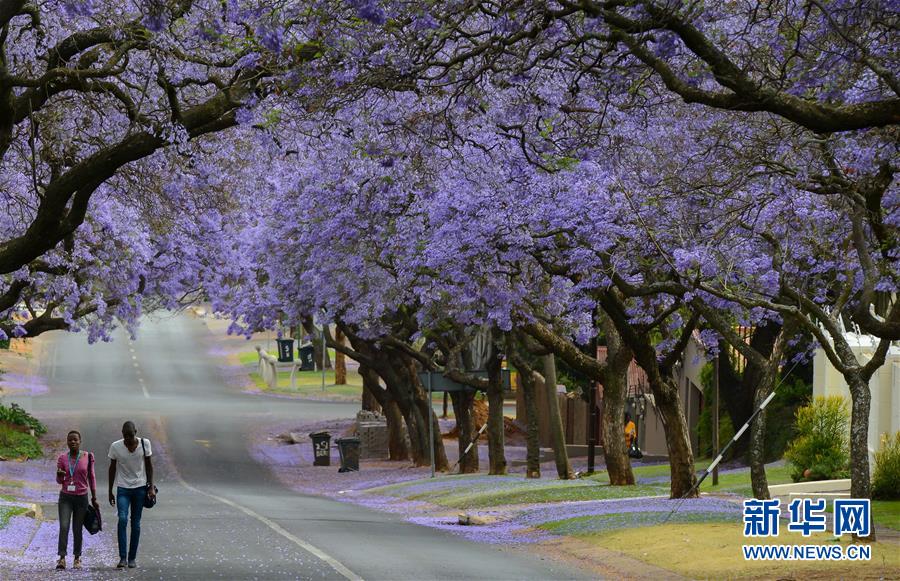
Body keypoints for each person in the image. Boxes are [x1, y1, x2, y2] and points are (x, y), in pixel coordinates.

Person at [108, 421, 155, 569]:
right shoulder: (115, 446)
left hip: (140, 489)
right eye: (125, 435)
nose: (128, 438)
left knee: (135, 523)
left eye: (130, 435)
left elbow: (149, 465)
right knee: (122, 519)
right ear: (122, 434)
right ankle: (122, 558)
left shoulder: (144, 443)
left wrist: (151, 486)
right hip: (123, 489)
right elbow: (112, 468)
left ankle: (132, 558)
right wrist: (110, 490)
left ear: (136, 432)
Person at [55, 430, 98, 570]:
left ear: (80, 441)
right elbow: (58, 480)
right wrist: (60, 475)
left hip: (81, 498)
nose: (72, 442)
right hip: (66, 497)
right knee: (64, 526)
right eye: (70, 440)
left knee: (77, 529)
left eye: (75, 440)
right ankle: (61, 558)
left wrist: (94, 496)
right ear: (67, 442)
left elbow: (91, 477)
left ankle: (77, 558)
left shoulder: (87, 456)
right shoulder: (62, 458)